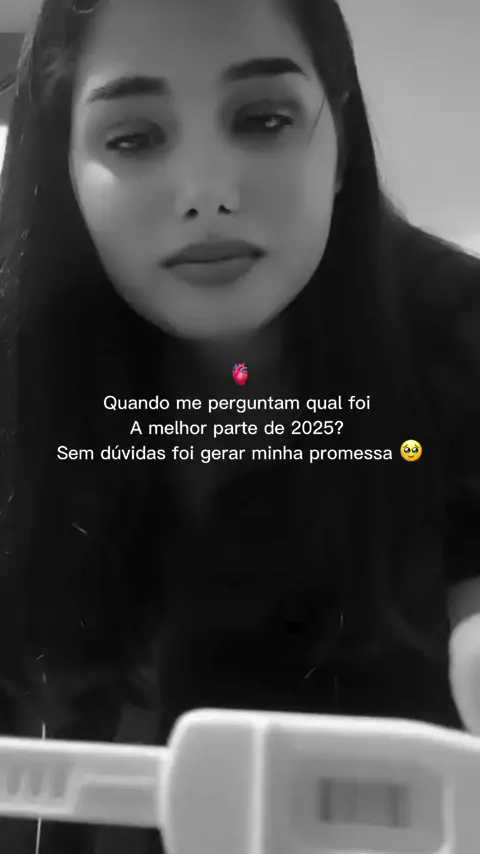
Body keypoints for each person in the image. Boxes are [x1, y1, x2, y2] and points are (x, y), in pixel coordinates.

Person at [0, 0, 479, 851]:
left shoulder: (458, 330)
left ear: (339, 145)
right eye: (134, 138)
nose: (207, 195)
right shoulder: (20, 363)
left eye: (263, 120)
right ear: (65, 168)